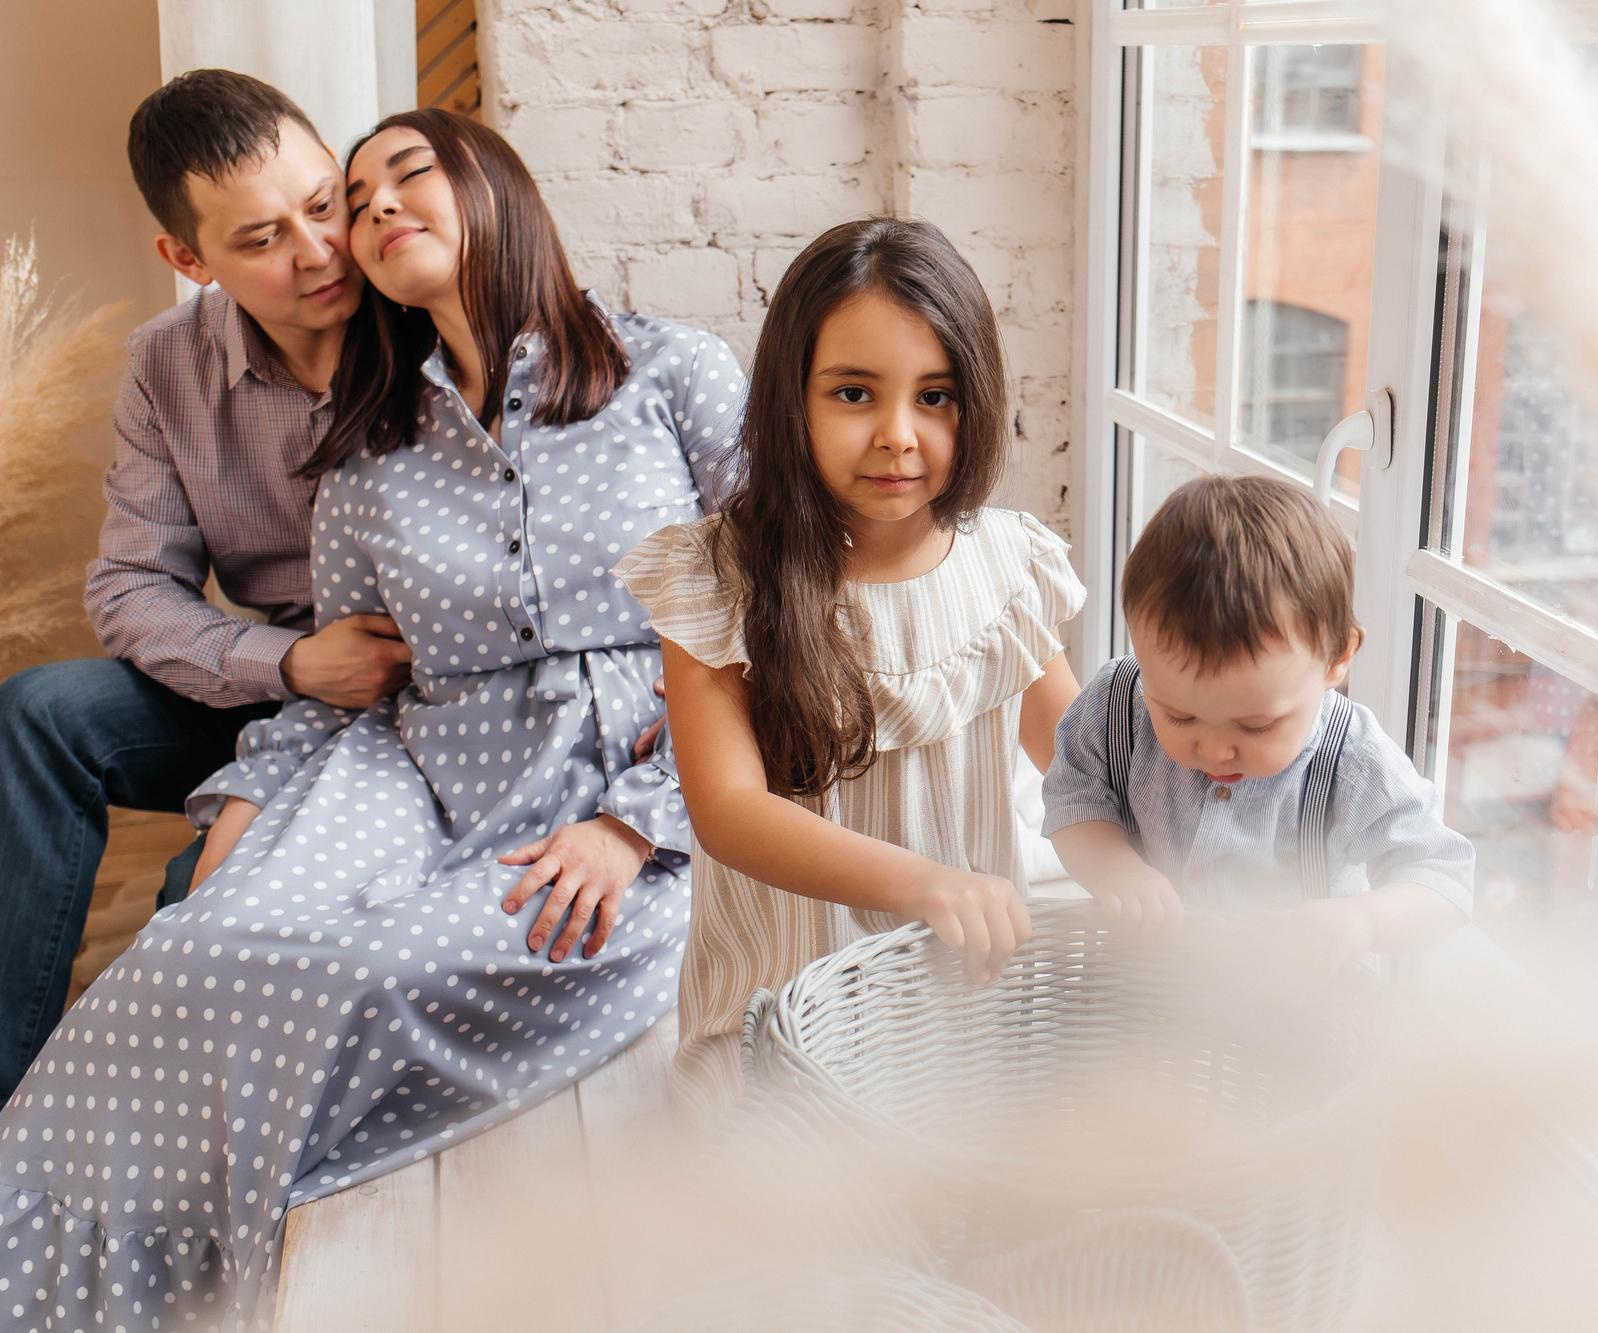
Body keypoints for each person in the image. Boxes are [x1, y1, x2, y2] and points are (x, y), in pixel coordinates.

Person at [0, 108, 744, 1328]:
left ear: (498, 184)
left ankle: (203, 1244)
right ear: (191, 259)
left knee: (342, 966)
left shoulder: (670, 372)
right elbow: (176, 612)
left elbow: (781, 601)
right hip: (381, 739)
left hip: (622, 777)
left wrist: (640, 816)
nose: (342, 230)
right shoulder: (363, 450)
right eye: (343, 204)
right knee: (190, 938)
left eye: (367, 191)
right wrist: (250, 800)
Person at [0, 69, 412, 1103]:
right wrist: (291, 662)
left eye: (324, 204)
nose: (319, 251)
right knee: (38, 712)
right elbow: (132, 586)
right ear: (187, 260)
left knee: (202, 891)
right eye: (262, 238)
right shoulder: (166, 364)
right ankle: (11, 1099)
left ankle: (150, 1105)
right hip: (279, 684)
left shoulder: (428, 309)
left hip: (433, 699)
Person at [613, 217, 1084, 1109]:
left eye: (935, 396)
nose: (898, 434)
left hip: (966, 1002)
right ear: (791, 397)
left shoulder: (1006, 564)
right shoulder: (716, 575)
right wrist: (925, 884)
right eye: (855, 393)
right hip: (780, 1013)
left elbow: (1078, 759)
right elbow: (729, 812)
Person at [1041, 475, 1474, 963]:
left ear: (1337, 658)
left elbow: (1443, 876)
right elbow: (1072, 799)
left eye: (1256, 726)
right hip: (1146, 980)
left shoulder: (1352, 760)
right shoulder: (1117, 703)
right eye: (1179, 716)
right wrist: (1115, 870)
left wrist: (1363, 921)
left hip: (1296, 994)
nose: (1214, 750)